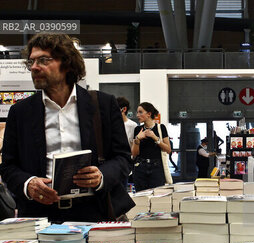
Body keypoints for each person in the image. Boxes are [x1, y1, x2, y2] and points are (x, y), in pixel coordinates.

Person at [0, 33, 134, 222]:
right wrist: (28, 184)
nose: (35, 68)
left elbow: (123, 158)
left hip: (93, 212)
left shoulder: (103, 105)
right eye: (32, 62)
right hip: (40, 215)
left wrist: (101, 175)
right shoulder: (20, 112)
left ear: (67, 63)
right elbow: (8, 166)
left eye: (44, 60)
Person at [131, 102, 172, 191]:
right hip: (140, 166)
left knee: (157, 196)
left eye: (140, 112)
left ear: (149, 114)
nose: (138, 115)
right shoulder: (138, 129)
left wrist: (155, 138)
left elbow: (168, 150)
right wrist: (138, 139)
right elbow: (134, 153)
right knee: (141, 196)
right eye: (137, 112)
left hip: (156, 167)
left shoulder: (161, 128)